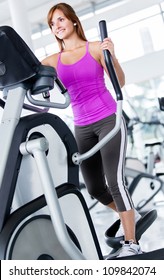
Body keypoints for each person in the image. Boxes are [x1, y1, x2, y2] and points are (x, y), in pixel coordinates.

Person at [42, 2, 142, 258]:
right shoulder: (53, 61)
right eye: (52, 24)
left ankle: (131, 242)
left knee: (115, 181)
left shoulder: (96, 48)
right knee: (95, 187)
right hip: (82, 127)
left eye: (61, 20)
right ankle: (128, 214)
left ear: (73, 21)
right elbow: (30, 73)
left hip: (109, 119)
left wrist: (113, 55)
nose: (57, 27)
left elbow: (119, 82)